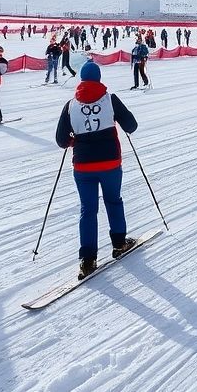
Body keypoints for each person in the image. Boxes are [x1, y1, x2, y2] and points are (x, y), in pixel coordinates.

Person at [55, 58, 139, 279]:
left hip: (83, 167)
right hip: (110, 163)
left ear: (81, 80)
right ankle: (119, 243)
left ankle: (87, 258)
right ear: (99, 79)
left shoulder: (70, 105)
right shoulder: (110, 100)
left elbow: (61, 140)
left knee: (88, 209)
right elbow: (132, 125)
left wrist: (73, 139)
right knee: (113, 201)